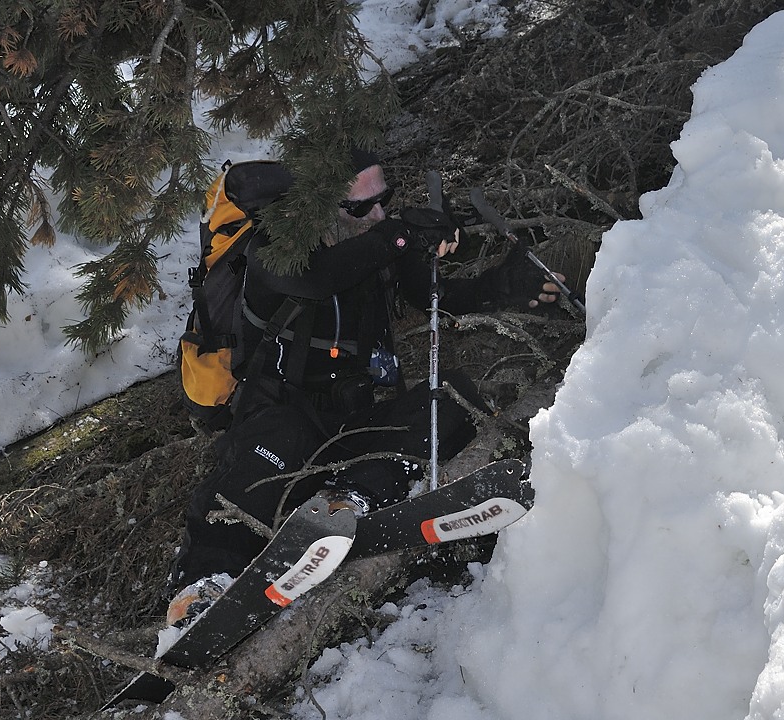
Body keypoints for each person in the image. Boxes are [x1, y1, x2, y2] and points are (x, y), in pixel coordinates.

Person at [166, 148, 565, 624]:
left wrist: (504, 284)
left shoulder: (375, 244)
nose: (377, 214)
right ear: (318, 207)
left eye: (384, 201)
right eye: (360, 207)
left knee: (449, 398)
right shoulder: (273, 249)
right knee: (277, 441)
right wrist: (399, 234)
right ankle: (200, 585)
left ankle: (346, 505)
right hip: (276, 423)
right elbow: (317, 278)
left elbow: (435, 295)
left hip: (348, 428)